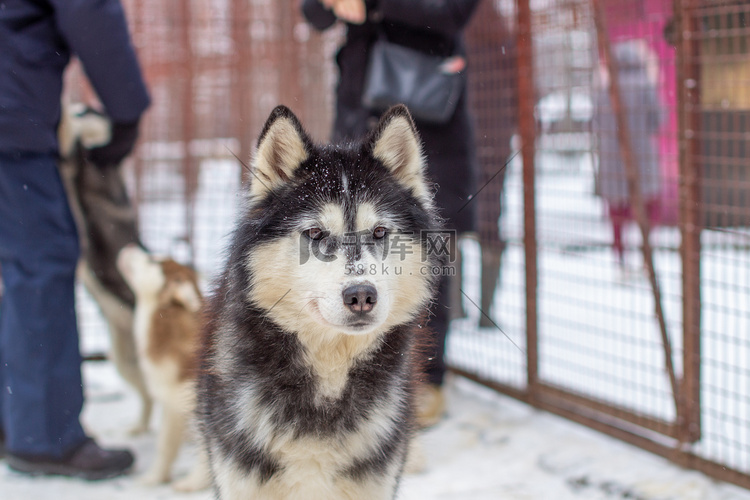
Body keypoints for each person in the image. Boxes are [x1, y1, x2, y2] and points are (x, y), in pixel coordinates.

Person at [302, 0, 481, 427]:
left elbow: (453, 12)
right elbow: (313, 14)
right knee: (355, 250)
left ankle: (425, 379)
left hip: (426, 111)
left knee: (429, 251)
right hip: (358, 112)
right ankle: (364, 374)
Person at [0, 0, 150, 479]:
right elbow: (89, 8)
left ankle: (15, 416)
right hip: (9, 118)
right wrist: (127, 109)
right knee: (40, 262)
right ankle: (43, 435)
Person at [594, 40, 663, 274]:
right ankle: (646, 250)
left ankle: (620, 256)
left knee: (617, 211)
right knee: (647, 206)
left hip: (613, 161)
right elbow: (657, 121)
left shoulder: (606, 88)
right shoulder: (645, 85)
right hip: (641, 158)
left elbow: (596, 122)